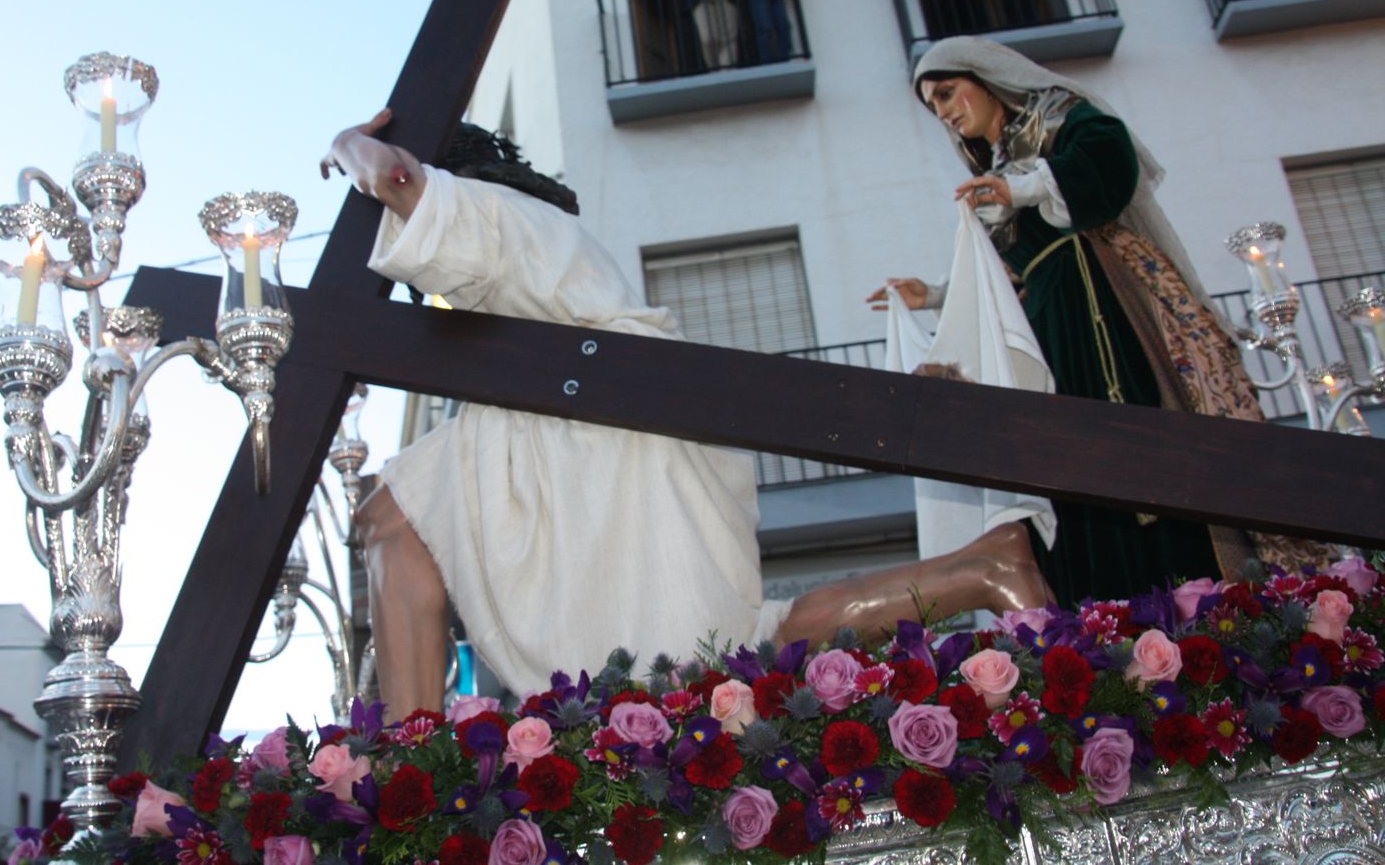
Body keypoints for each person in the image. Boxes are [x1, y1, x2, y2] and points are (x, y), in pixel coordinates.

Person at [323, 111, 1052, 717]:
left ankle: (407, 760)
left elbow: (393, 178)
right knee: (717, 653)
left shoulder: (488, 215)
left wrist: (348, 144)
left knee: (394, 514)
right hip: (624, 429)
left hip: (598, 431)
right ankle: (981, 567)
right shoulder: (526, 233)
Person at [869, 37, 1270, 604]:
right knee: (1062, 460)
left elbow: (1111, 159)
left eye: (948, 93)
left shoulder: (1059, 119)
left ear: (985, 78)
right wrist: (931, 295)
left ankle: (1189, 585)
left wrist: (1025, 186)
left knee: (1128, 430)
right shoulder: (995, 173)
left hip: (1100, 299)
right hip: (1048, 320)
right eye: (934, 108)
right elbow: (1002, 274)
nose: (946, 113)